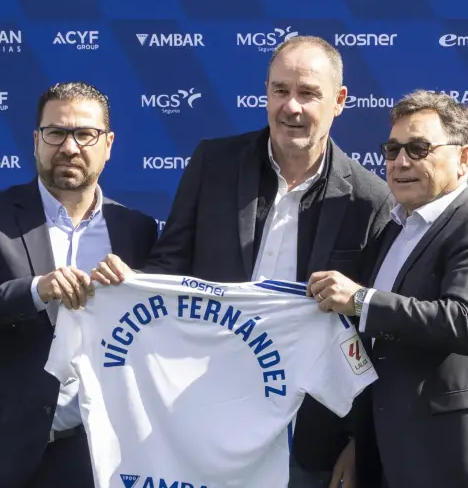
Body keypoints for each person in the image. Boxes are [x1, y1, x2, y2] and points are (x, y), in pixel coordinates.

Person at [93, 35, 395, 487]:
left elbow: (369, 335)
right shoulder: (213, 163)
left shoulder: (370, 200)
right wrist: (128, 286)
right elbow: (168, 268)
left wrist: (357, 440)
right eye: (280, 90)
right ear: (266, 93)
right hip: (199, 416)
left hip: (308, 437)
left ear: (339, 101)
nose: (291, 106)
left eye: (308, 93)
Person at [0, 82, 160, 488]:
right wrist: (37, 290)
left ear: (108, 144)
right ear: (36, 140)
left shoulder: (137, 231)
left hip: (92, 455)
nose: (69, 147)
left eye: (84, 134)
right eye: (56, 133)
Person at [307, 89, 468, 488]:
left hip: (462, 462)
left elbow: (463, 323)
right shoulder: (392, 230)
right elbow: (380, 353)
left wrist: (360, 300)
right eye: (392, 149)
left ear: (464, 159)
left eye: (418, 148)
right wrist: (358, 441)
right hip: (390, 458)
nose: (400, 162)